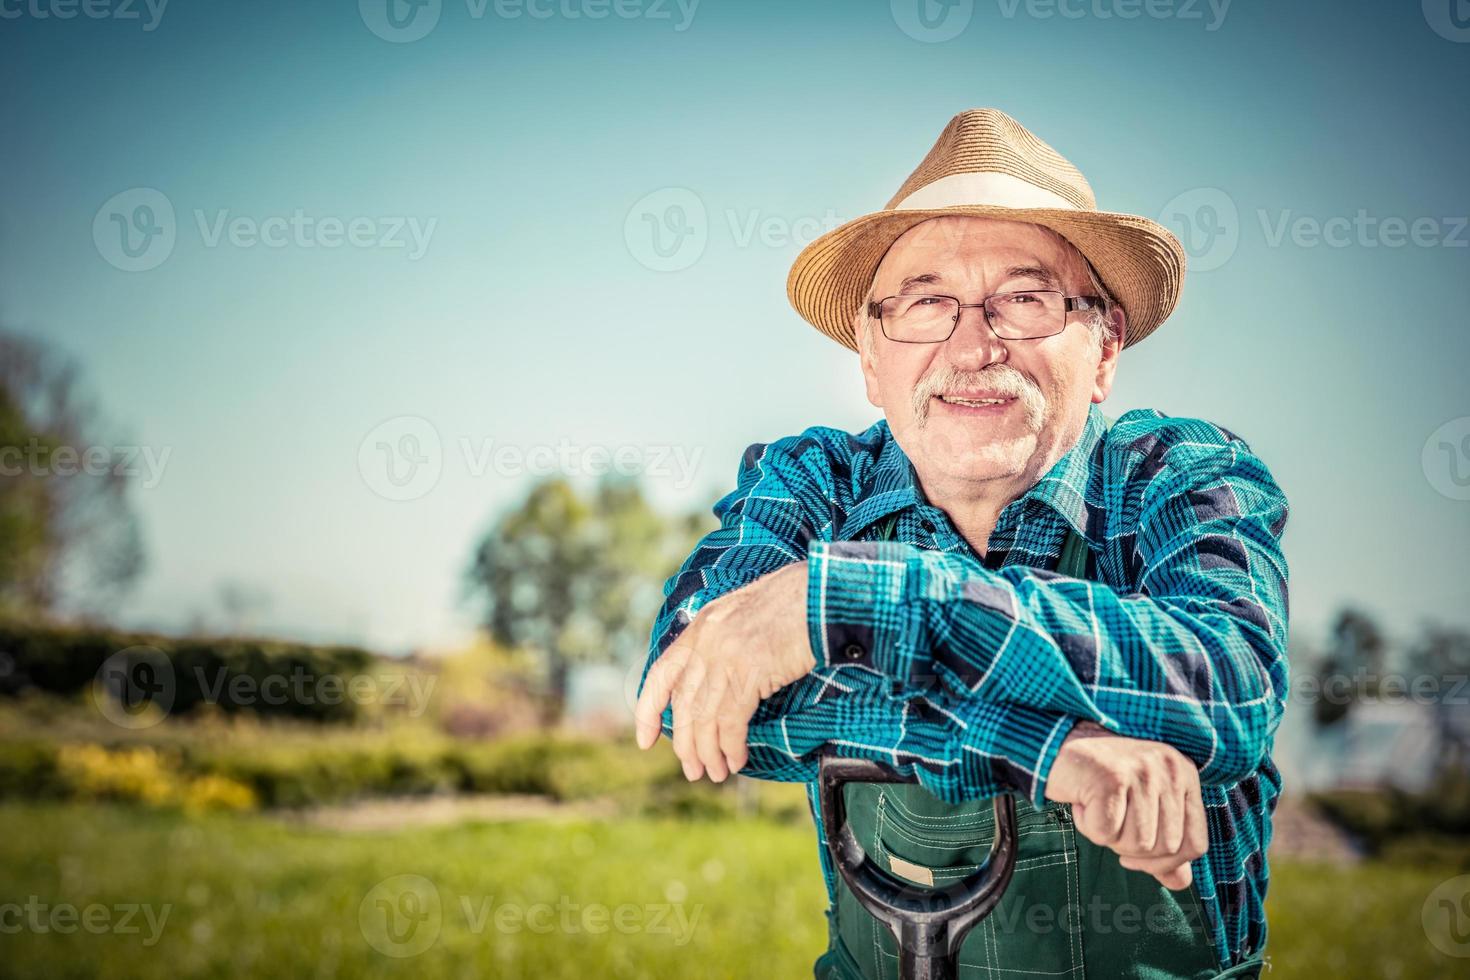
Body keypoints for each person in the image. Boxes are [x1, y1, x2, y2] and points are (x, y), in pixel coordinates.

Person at [634, 108, 1287, 979]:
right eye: (926, 303)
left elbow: (1226, 690)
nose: (973, 345)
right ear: (871, 357)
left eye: (1025, 299)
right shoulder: (813, 484)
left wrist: (854, 602)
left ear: (1104, 347)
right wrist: (1050, 753)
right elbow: (688, 694)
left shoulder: (1176, 478)